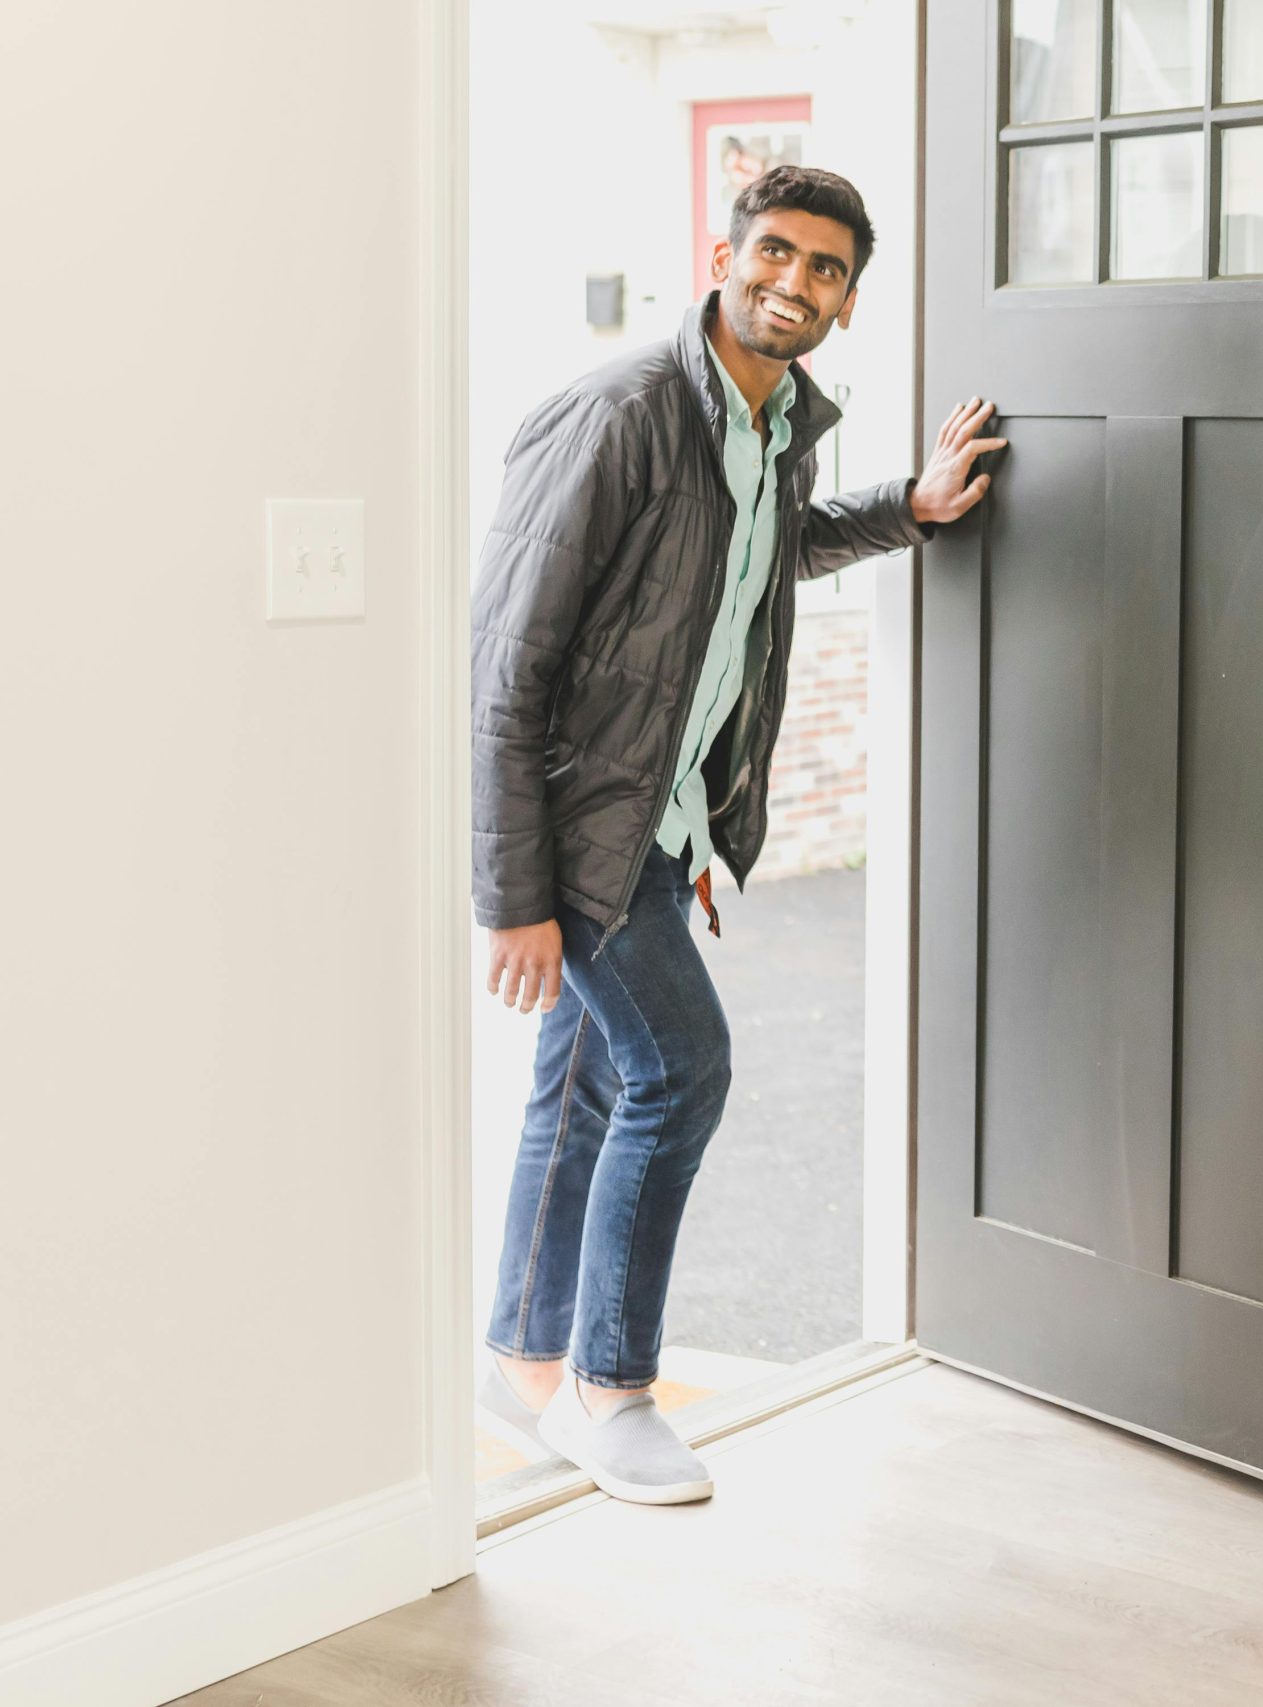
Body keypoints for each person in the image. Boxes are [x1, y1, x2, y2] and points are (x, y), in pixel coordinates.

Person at [469, 165, 1005, 1504]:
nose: (796, 283)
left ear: (848, 297)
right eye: (775, 253)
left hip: (661, 816)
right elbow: (505, 665)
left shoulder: (773, 424)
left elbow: (766, 550)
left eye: (826, 269)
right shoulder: (622, 413)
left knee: (585, 1081)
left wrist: (912, 508)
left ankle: (525, 1367)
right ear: (722, 253)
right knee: (681, 1069)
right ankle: (611, 1385)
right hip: (584, 829)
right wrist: (513, 893)